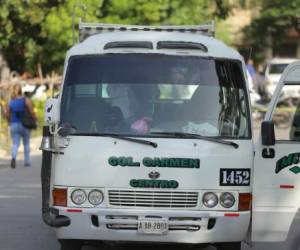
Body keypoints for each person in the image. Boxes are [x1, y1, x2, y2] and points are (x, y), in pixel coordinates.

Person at [4, 84, 36, 168]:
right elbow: (31, 112)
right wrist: (34, 119)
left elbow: (7, 114)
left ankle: (13, 158)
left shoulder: (11, 102)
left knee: (15, 143)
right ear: (20, 90)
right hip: (25, 124)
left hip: (14, 124)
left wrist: (9, 122)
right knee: (26, 143)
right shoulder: (25, 100)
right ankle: (27, 161)